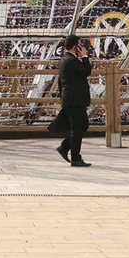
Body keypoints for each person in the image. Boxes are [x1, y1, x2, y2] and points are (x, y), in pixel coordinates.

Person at [52, 35, 93, 167]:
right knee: (77, 128)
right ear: (75, 46)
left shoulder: (65, 59)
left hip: (73, 99)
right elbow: (86, 71)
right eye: (80, 45)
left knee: (83, 125)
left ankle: (64, 147)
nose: (82, 47)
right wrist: (85, 57)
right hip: (75, 100)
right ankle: (75, 158)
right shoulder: (71, 60)